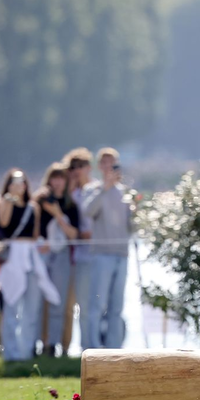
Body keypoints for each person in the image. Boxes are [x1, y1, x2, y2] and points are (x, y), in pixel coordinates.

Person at [0, 169, 59, 361]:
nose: (19, 186)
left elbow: (35, 233)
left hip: (30, 257)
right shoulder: (5, 202)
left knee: (31, 308)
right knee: (11, 306)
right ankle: (11, 354)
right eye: (15, 182)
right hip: (13, 259)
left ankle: (26, 352)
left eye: (22, 182)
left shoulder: (33, 206)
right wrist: (9, 199)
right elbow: (3, 223)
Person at [82, 148, 134, 349]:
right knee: (97, 304)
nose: (109, 167)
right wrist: (105, 188)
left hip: (122, 254)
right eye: (104, 163)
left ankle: (114, 350)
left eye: (112, 163)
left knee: (117, 307)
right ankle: (92, 348)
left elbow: (132, 225)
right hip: (101, 254)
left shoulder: (125, 192)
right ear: (99, 166)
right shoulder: (93, 189)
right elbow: (88, 211)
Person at [36, 162, 81, 357]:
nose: (57, 182)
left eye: (61, 178)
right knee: (39, 302)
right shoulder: (39, 201)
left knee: (59, 302)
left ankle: (55, 344)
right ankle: (40, 343)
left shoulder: (71, 206)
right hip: (42, 254)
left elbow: (73, 234)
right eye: (54, 177)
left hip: (63, 255)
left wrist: (58, 215)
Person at [65, 149, 96, 349]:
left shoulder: (97, 189)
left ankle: (95, 346)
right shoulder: (71, 195)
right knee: (81, 305)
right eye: (73, 167)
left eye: (80, 166)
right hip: (78, 254)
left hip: (98, 253)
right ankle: (84, 348)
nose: (77, 171)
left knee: (96, 305)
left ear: (88, 168)